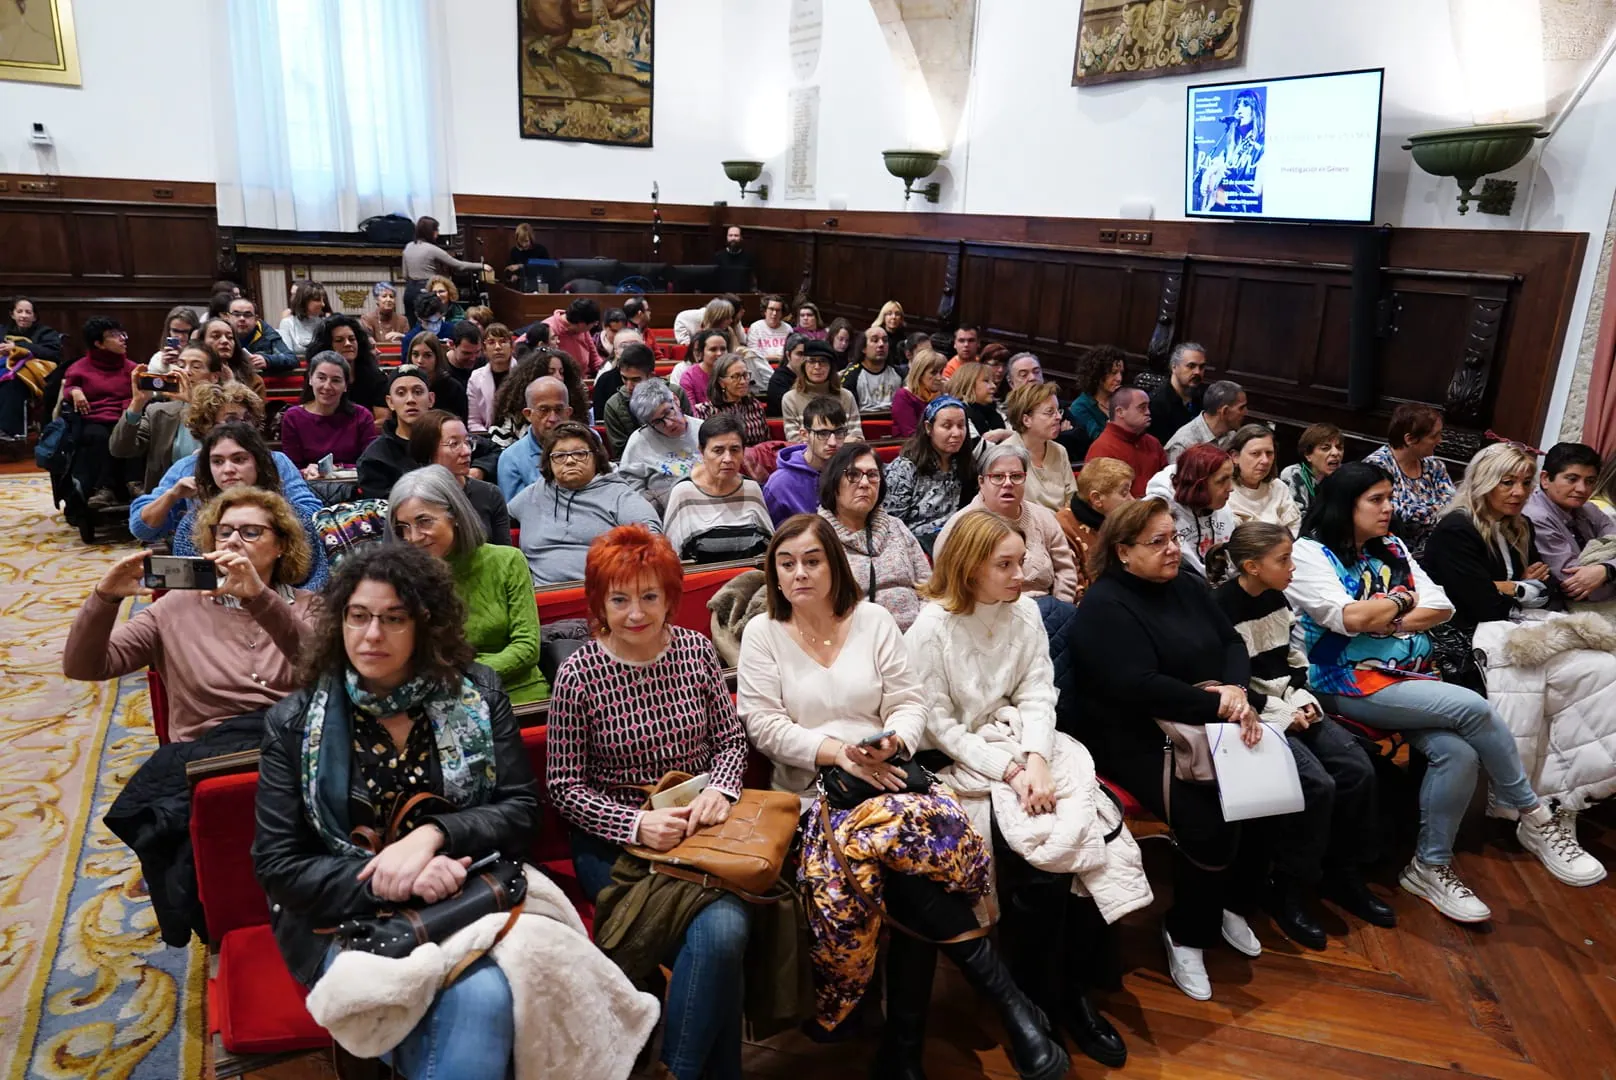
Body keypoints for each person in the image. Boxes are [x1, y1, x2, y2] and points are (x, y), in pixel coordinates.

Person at [737, 516, 1068, 1078]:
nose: (798, 573)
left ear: (833, 564)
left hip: (892, 778)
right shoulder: (764, 633)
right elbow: (763, 725)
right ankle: (1008, 1009)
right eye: (786, 562)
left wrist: (894, 741)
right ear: (774, 570)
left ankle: (907, 1047)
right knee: (909, 871)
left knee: (914, 860)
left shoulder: (872, 620)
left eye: (811, 560)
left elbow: (910, 704)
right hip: (815, 794)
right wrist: (840, 752)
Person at [252, 543, 536, 1080]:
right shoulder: (295, 724)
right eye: (357, 617)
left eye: (393, 618)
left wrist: (434, 836)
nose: (371, 635)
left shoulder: (477, 695)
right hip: (342, 917)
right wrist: (394, 881)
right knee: (475, 1005)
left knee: (484, 1000)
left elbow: (521, 812)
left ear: (424, 625)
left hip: (463, 897)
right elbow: (278, 866)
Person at [1286, 462, 1605, 922]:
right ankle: (1531, 811)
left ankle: (1429, 867)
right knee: (1474, 707)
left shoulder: (1391, 547)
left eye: (1389, 498)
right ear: (1344, 505)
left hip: (1409, 676)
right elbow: (1346, 618)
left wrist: (1388, 617)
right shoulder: (1311, 553)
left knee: (1458, 753)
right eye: (1375, 500)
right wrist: (1399, 604)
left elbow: (1441, 605)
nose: (1388, 508)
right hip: (1341, 680)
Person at [906, 510, 1140, 1067]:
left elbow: (1039, 691)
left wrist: (1035, 757)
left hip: (1025, 741)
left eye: (1021, 561)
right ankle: (1038, 1002)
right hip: (963, 761)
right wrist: (1011, 771)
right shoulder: (930, 629)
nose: (1021, 574)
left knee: (1095, 834)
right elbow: (938, 725)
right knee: (1041, 867)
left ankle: (1072, 990)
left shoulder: (1026, 614)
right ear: (968, 569)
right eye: (1004, 565)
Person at [546, 525, 752, 1080]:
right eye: (619, 599)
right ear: (599, 602)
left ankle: (675, 1071)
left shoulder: (696, 651)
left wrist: (719, 789)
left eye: (649, 597)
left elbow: (730, 742)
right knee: (722, 936)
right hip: (617, 840)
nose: (635, 612)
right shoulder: (579, 674)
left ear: (669, 598)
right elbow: (565, 786)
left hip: (702, 832)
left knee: (725, 931)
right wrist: (637, 824)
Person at [1067, 498, 1264, 1001]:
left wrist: (1236, 691)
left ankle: (1223, 904)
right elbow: (1137, 685)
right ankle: (1185, 931)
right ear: (1123, 552)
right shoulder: (1105, 605)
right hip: (1132, 733)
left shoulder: (1187, 586)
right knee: (1206, 821)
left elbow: (1232, 644)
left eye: (1174, 537)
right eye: (1158, 542)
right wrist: (1219, 702)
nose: (1174, 549)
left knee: (1261, 800)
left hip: (1204, 718)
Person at [1209, 523, 1394, 950]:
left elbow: (1293, 658)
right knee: (1316, 783)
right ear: (1253, 566)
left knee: (1357, 768)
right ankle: (1288, 885)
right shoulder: (1221, 608)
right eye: (1284, 560)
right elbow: (1237, 683)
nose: (1293, 567)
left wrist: (1304, 696)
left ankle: (1341, 872)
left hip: (1291, 702)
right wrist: (1282, 712)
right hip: (1255, 715)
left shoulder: (1278, 597)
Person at [64, 487, 316, 742]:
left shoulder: (311, 606)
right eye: (224, 532)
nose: (233, 541)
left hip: (294, 746)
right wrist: (104, 599)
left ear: (281, 545)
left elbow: (324, 670)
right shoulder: (175, 607)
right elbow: (84, 667)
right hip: (211, 756)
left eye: (251, 532)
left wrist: (259, 598)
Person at [389, 465, 543, 704]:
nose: (414, 537)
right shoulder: (403, 578)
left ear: (456, 517)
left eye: (424, 522)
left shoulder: (507, 561)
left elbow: (527, 648)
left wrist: (461, 675)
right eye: (403, 528)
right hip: (443, 701)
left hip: (518, 692)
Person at [510, 422, 659, 586]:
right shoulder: (533, 494)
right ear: (549, 463)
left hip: (601, 593)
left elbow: (653, 538)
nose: (570, 461)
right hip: (539, 597)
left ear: (596, 458)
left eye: (580, 454)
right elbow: (496, 517)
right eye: (559, 456)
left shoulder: (618, 494)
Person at [936, 443, 1080, 605]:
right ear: (981, 482)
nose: (1008, 483)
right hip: (986, 613)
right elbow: (948, 584)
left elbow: (1065, 569)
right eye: (998, 477)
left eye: (1016, 476)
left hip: (1047, 609)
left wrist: (1061, 606)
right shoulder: (960, 526)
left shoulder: (1044, 517)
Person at [125, 386, 274, 537]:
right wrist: (172, 495)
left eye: (247, 419)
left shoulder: (276, 461)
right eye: (231, 420)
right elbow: (141, 529)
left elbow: (298, 516)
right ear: (206, 428)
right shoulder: (187, 467)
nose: (243, 426)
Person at [817, 442, 931, 630]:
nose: (864, 483)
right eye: (853, 475)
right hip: (854, 640)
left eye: (872, 475)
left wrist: (923, 630)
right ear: (834, 481)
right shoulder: (817, 536)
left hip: (916, 637)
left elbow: (928, 589)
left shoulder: (896, 527)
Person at [111, 343, 232, 491]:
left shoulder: (227, 410)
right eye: (181, 365)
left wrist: (193, 402)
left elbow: (230, 444)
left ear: (214, 377)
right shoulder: (158, 412)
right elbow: (120, 449)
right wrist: (137, 403)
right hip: (168, 495)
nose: (186, 372)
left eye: (196, 366)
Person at [659, 414, 773, 563]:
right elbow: (670, 560)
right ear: (702, 451)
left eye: (735, 450)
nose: (728, 459)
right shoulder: (684, 493)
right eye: (718, 451)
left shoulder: (751, 489)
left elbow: (770, 550)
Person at [61, 316, 142, 508]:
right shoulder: (79, 368)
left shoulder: (132, 368)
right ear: (99, 344)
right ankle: (104, 489)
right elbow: (68, 387)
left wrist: (127, 412)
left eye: (122, 333)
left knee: (130, 433)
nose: (123, 338)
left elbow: (138, 394)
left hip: (123, 416)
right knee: (98, 437)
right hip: (94, 418)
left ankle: (134, 483)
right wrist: (75, 391)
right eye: (114, 336)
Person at [1524, 441, 1616, 603]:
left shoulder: (1587, 508)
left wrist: (1606, 570)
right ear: (1545, 479)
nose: (1582, 489)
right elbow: (1576, 585)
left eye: (1589, 481)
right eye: (1572, 479)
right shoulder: (1535, 516)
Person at [883, 395, 975, 553]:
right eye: (947, 426)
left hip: (955, 538)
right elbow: (890, 524)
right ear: (928, 428)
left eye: (961, 426)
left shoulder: (962, 463)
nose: (957, 433)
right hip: (914, 545)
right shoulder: (905, 468)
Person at [407, 409, 510, 546]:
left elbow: (505, 555)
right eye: (454, 444)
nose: (466, 451)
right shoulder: (409, 499)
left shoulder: (490, 494)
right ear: (428, 450)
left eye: (467, 442)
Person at [1363, 403, 1455, 556]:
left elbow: (1454, 507)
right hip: (1392, 552)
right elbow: (1396, 514)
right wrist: (1436, 510)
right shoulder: (1377, 466)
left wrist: (1423, 513)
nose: (1440, 440)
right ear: (1410, 439)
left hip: (1439, 550)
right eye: (1434, 436)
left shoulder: (1435, 466)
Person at [1143, 442, 1237, 579]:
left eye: (1231, 478)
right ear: (1197, 484)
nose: (1231, 488)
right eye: (1222, 480)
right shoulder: (1158, 511)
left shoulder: (1221, 506)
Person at [279, 352, 378, 475]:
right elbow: (292, 467)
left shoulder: (362, 416)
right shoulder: (293, 417)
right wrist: (308, 471)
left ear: (345, 386)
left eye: (336, 380)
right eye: (321, 378)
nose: (327, 386)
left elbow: (370, 463)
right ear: (310, 379)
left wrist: (338, 468)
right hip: (309, 485)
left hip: (352, 483)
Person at [619, 380, 701, 513]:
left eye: (668, 412)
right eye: (657, 421)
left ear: (676, 400)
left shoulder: (704, 430)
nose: (668, 424)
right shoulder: (639, 441)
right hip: (664, 511)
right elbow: (631, 490)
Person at [763, 396, 846, 525]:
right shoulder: (780, 484)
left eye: (839, 432)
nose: (833, 442)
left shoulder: (852, 474)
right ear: (804, 435)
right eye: (823, 434)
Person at [358, 366, 435, 498]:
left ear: (431, 399)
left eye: (418, 392)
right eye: (401, 393)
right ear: (390, 402)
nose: (410, 400)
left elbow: (481, 449)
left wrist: (479, 469)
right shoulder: (375, 457)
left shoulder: (447, 439)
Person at [604, 341, 690, 458]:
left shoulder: (676, 392)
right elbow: (621, 453)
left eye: (636, 380)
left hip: (682, 455)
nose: (629, 386)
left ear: (651, 375)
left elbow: (689, 430)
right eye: (624, 378)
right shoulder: (613, 405)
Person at [495, 374, 572, 500]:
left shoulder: (588, 445)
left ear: (568, 413)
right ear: (528, 414)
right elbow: (515, 512)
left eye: (559, 410)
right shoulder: (511, 458)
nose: (552, 418)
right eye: (544, 410)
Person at [1003, 382, 1076, 513]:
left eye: (1058, 411)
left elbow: (1071, 498)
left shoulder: (1059, 451)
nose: (1059, 417)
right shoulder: (1004, 455)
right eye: (1050, 412)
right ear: (1026, 420)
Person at [0, 296, 64, 439]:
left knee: (11, 384)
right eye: (20, 311)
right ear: (12, 314)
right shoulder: (2, 331)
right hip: (4, 370)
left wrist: (18, 348)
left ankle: (7, 432)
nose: (23, 316)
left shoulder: (46, 333)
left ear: (34, 316)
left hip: (29, 376)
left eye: (28, 312)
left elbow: (53, 355)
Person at [1085, 387, 1167, 499]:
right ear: (1120, 412)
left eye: (1148, 407)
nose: (1148, 412)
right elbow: (1105, 501)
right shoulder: (1102, 449)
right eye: (1142, 408)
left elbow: (1167, 483)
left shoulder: (1153, 443)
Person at [307, 314, 389, 420]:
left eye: (352, 339)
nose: (348, 344)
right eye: (339, 340)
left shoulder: (375, 377)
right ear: (327, 345)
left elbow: (382, 420)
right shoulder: (316, 376)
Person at [782, 339, 863, 443]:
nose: (817, 367)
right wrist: (838, 442)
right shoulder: (790, 399)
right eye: (811, 361)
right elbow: (795, 441)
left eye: (823, 361)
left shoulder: (847, 396)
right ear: (804, 365)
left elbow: (857, 439)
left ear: (831, 367)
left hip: (844, 457)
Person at [1067, 458, 1134, 580]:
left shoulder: (1123, 520)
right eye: (1124, 493)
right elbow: (1077, 588)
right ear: (1097, 499)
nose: (1132, 500)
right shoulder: (1065, 529)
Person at [1226, 423, 1300, 530]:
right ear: (1235, 457)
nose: (1265, 461)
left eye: (1269, 453)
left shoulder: (1279, 487)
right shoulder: (1224, 491)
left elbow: (1294, 528)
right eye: (1255, 453)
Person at [693, 351, 769, 448]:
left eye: (745, 375)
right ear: (721, 382)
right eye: (735, 377)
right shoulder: (705, 411)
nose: (743, 381)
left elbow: (765, 443)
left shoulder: (755, 406)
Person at [1164, 379, 1246, 464]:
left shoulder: (1231, 435)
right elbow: (1174, 477)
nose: (1245, 412)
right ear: (1224, 411)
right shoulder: (1183, 446)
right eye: (1241, 408)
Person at [1279, 422, 1343, 518]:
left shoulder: (1343, 476)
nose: (1335, 453)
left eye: (1339, 447)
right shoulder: (1293, 474)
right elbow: (1297, 521)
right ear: (1308, 455)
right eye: (1325, 448)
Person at [402, 331, 468, 423]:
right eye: (415, 354)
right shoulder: (402, 387)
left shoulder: (454, 388)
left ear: (437, 357)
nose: (420, 360)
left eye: (427, 355)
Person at [401, 214, 492, 281]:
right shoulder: (431, 249)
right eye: (436, 230)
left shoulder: (408, 246)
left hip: (410, 291)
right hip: (427, 289)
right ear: (429, 232)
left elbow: (405, 275)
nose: (438, 233)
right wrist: (481, 266)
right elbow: (459, 265)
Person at [1149, 342, 1207, 445]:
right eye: (1191, 366)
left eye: (1201, 367)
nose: (1197, 372)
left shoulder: (1203, 397)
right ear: (1174, 367)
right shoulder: (1157, 403)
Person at [1065, 345, 1126, 442]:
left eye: (1121, 373)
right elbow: (1099, 439)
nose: (1119, 378)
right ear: (1097, 374)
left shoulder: (1122, 398)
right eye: (1113, 372)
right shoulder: (1081, 407)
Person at [466, 322, 515, 434]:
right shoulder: (476, 378)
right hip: (487, 435)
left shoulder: (524, 374)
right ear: (484, 349)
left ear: (512, 346)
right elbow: (473, 421)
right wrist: (490, 439)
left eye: (503, 341)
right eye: (491, 342)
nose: (498, 347)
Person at [199, 316, 267, 397]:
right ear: (202, 342)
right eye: (216, 336)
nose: (225, 341)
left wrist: (232, 385)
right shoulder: (192, 374)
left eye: (230, 337)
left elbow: (256, 409)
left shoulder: (253, 380)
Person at [226, 296, 295, 373]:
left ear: (256, 319)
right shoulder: (220, 331)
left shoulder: (266, 332)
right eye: (236, 314)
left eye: (247, 315)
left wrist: (267, 360)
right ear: (228, 317)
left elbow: (291, 359)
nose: (242, 318)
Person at [842, 326, 901, 414]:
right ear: (863, 348)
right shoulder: (851, 376)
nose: (881, 344)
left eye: (885, 340)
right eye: (875, 340)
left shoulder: (899, 373)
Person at [542, 297, 605, 378]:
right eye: (594, 324)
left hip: (583, 380)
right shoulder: (549, 328)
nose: (594, 326)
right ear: (581, 324)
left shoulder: (583, 329)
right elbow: (523, 344)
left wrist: (605, 370)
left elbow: (595, 359)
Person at [891, 347, 946, 438]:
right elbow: (910, 434)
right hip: (911, 448)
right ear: (919, 374)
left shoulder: (942, 394)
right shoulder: (903, 396)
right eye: (933, 373)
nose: (939, 377)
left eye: (941, 372)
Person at [948, 362, 1007, 442]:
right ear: (969, 383)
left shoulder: (995, 410)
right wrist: (1006, 436)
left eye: (993, 381)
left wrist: (1003, 434)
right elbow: (976, 448)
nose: (994, 386)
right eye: (986, 381)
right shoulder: (959, 412)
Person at [678, 328, 728, 409]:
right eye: (713, 349)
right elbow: (691, 412)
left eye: (723, 349)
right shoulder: (689, 377)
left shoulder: (733, 372)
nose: (719, 353)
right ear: (701, 353)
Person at [277, 281, 328, 357]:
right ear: (304, 301)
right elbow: (285, 355)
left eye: (323, 300)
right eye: (318, 300)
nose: (323, 304)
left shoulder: (323, 323)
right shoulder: (287, 323)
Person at [766, 332, 810, 418]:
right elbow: (792, 409)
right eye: (799, 354)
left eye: (807, 354)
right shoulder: (778, 380)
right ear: (788, 355)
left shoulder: (811, 376)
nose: (804, 358)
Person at [745, 294, 794, 360]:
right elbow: (752, 355)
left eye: (778, 310)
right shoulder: (755, 327)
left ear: (782, 313)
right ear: (765, 311)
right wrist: (775, 358)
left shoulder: (788, 328)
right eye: (771, 309)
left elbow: (791, 353)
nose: (774, 313)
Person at [444, 320, 484, 392]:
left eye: (477, 352)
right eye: (466, 353)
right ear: (451, 344)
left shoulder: (484, 364)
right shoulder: (441, 370)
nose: (473, 358)